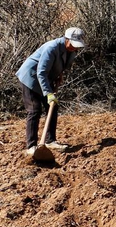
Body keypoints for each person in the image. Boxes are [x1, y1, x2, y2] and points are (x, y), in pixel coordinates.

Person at [16, 27, 87, 155]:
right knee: (34, 109)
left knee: (52, 107)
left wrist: (59, 76)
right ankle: (31, 146)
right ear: (66, 39)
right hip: (30, 77)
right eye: (73, 44)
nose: (75, 48)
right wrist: (48, 93)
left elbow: (61, 66)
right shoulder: (51, 48)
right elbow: (41, 72)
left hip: (45, 78)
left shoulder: (70, 50)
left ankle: (50, 141)